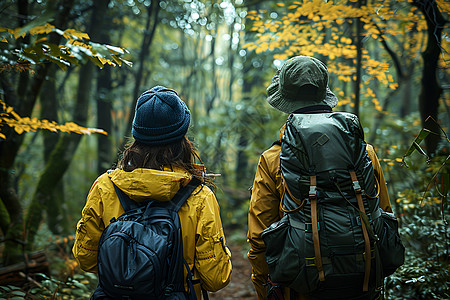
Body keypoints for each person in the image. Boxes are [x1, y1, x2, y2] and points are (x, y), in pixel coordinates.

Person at [247, 56, 393, 300]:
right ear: (324, 94)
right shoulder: (364, 154)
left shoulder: (274, 158)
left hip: (299, 288)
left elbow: (260, 236)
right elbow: (382, 214)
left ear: (286, 98)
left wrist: (266, 286)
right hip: (362, 285)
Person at [73, 86, 232, 299]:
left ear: (137, 135)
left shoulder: (105, 187)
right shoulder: (199, 197)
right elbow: (215, 279)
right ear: (182, 138)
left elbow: (86, 259)